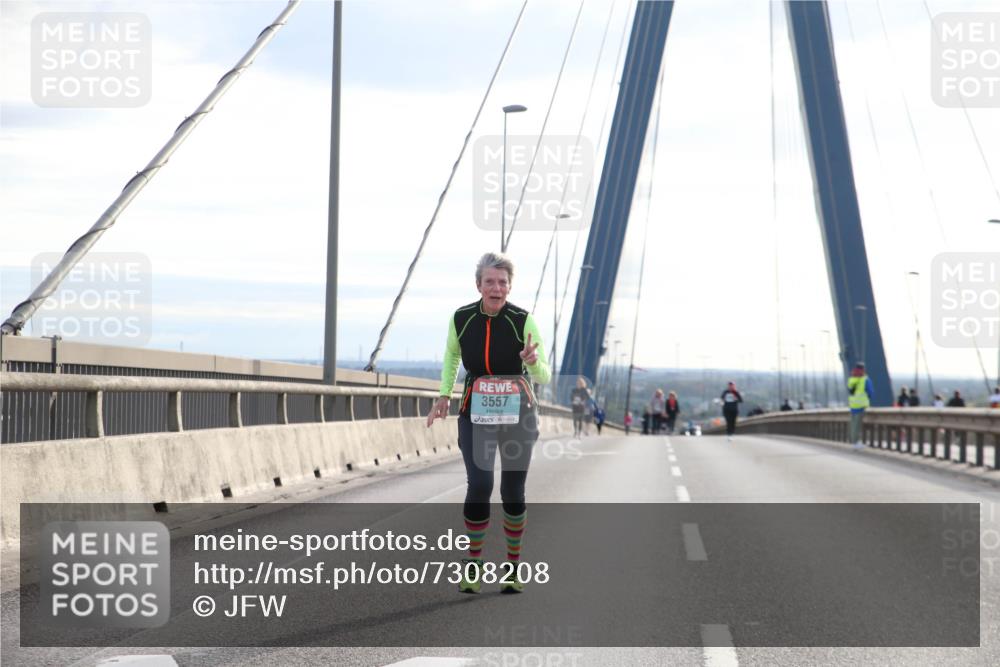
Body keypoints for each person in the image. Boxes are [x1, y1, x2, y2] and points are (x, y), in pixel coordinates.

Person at [426, 252, 550, 595]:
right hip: (475, 411)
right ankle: (474, 564)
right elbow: (453, 355)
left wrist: (533, 361)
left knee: (512, 492)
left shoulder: (523, 320)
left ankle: (512, 566)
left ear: (510, 286)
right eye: (490, 281)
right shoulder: (462, 318)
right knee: (480, 485)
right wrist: (444, 395)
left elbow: (545, 374)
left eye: (503, 282)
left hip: (518, 415)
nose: (497, 288)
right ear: (478, 285)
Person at [847, 362, 872, 449]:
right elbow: (870, 392)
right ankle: (856, 442)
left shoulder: (851, 379)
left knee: (853, 425)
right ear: (863, 369)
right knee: (858, 425)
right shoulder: (865, 379)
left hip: (853, 405)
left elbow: (850, 391)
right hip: (861, 405)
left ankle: (854, 442)